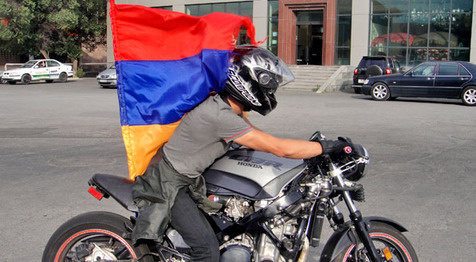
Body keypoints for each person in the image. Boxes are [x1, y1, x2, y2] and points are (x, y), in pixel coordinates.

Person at [132, 45, 351, 261]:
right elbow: (278, 147)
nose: (270, 93)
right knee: (207, 252)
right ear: (250, 83)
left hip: (185, 178)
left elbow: (260, 138)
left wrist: (310, 149)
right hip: (168, 184)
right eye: (269, 87)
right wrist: (327, 147)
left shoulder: (228, 110)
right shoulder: (221, 116)